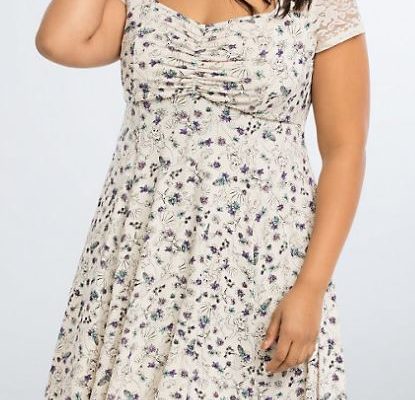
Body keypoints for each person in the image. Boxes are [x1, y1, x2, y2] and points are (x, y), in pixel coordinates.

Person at [36, 0, 370, 398]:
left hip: (257, 259)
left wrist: (312, 287)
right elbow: (59, 41)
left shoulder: (320, 7)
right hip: (142, 254)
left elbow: (345, 152)